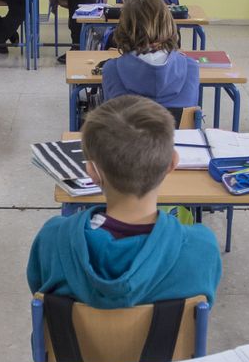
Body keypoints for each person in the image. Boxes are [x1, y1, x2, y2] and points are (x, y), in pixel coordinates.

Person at [27, 95, 221, 308]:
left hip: (70, 332)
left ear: (92, 171)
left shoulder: (51, 240)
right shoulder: (202, 248)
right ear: (172, 162)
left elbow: (39, 291)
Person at [100, 0, 200, 116]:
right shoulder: (191, 68)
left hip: (127, 129)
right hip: (175, 129)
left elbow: (110, 119)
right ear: (169, 25)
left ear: (124, 28)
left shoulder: (111, 70)